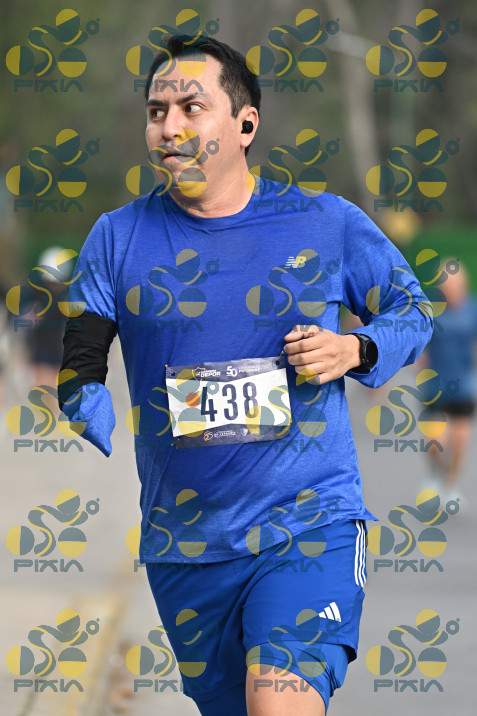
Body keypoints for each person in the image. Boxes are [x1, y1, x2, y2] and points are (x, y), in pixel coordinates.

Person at [58, 34, 433, 716]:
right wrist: (82, 393)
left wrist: (355, 350)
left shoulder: (325, 223)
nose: (169, 127)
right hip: (185, 546)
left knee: (277, 702)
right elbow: (83, 345)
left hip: (307, 524)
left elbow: (412, 311)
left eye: (191, 107)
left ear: (245, 124)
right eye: (156, 111)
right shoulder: (118, 236)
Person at [422, 262, 477, 502]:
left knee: (460, 441)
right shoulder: (432, 309)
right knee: (435, 441)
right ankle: (436, 474)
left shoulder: (472, 310)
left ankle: (451, 484)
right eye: (447, 284)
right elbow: (419, 339)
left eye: (455, 284)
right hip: (436, 384)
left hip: (464, 384)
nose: (451, 289)